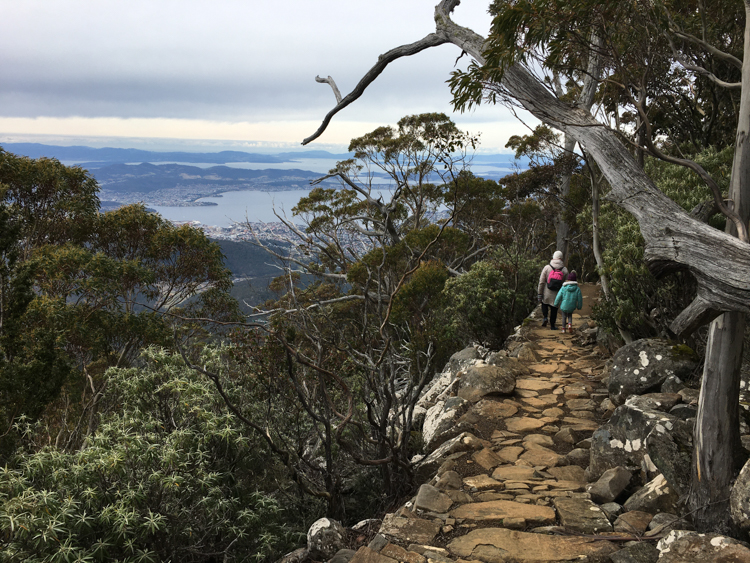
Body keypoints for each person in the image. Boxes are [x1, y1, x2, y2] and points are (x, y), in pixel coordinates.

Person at [537, 250, 568, 330]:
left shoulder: (547, 268)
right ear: (561, 258)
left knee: (544, 304)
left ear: (553, 257)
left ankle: (545, 317)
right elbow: (566, 285)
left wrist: (540, 294)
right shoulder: (564, 270)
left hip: (546, 293)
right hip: (557, 294)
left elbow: (541, 282)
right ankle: (552, 325)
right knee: (554, 309)